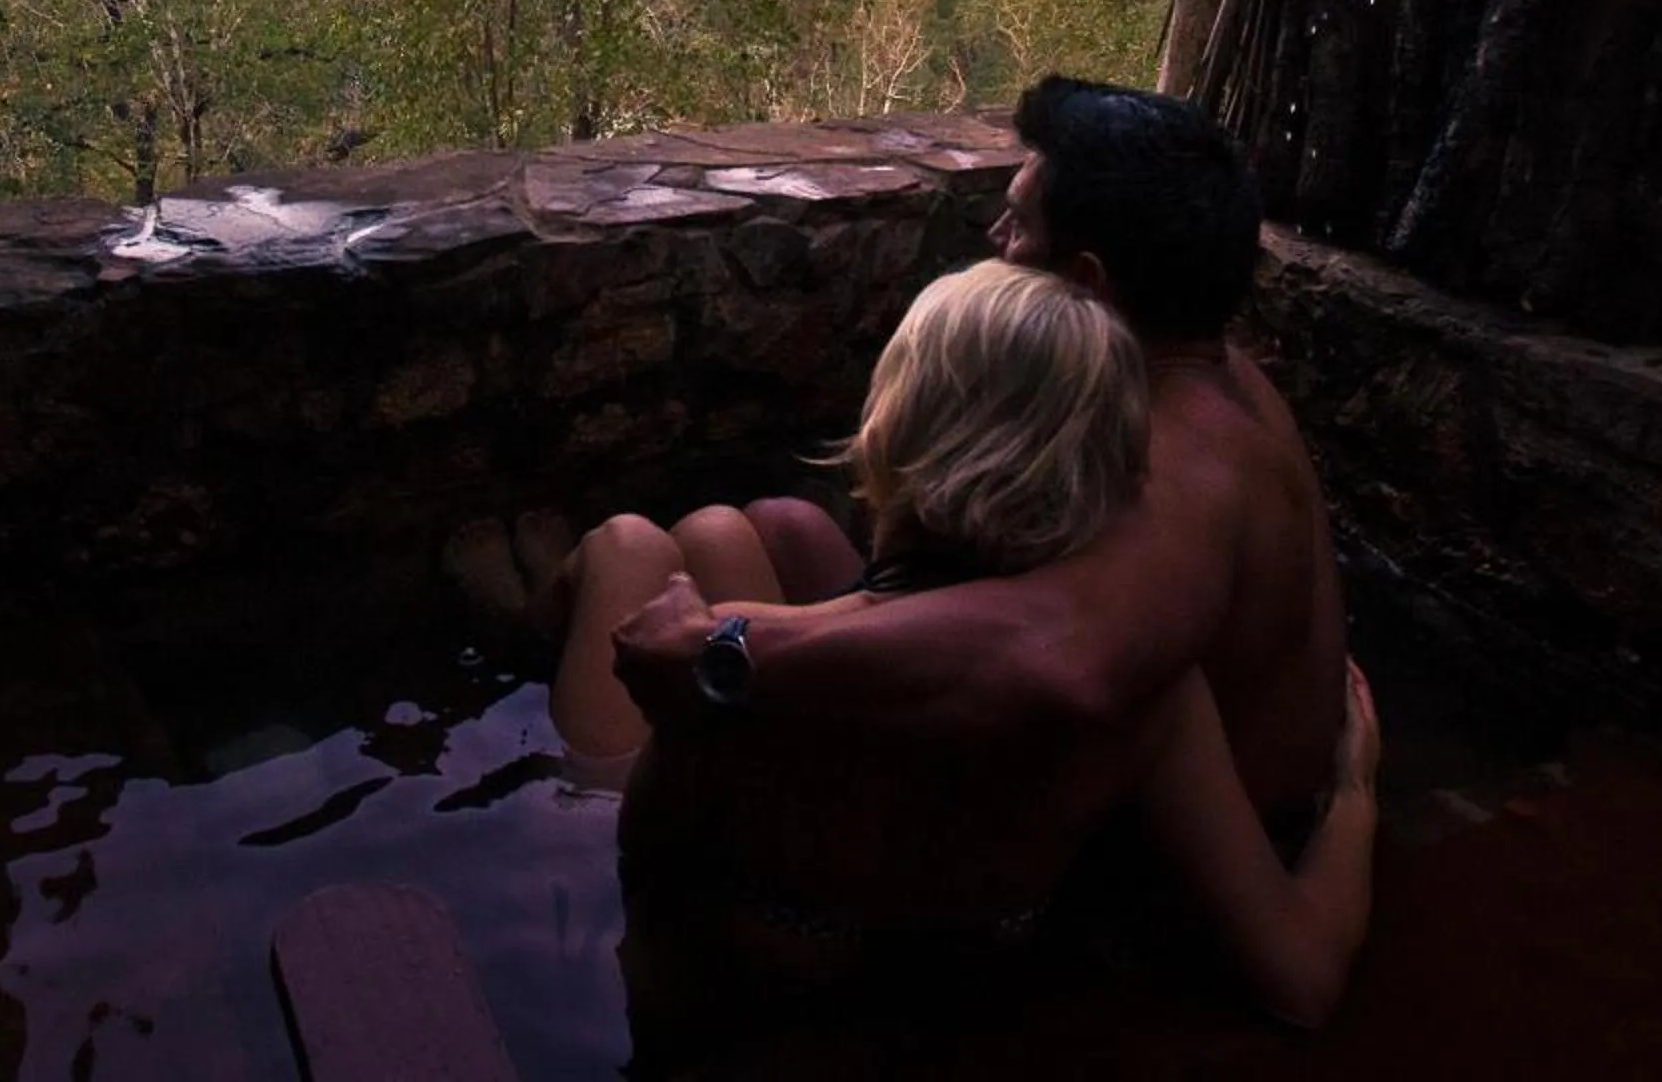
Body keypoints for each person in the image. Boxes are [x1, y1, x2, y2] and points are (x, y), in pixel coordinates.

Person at [550, 260, 1380, 1062]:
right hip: (951, 975)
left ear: (892, 426)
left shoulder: (743, 662)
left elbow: (640, 866)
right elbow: (1302, 983)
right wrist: (1355, 792)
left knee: (629, 544)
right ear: (1117, 463)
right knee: (725, 533)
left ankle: (527, 603)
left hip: (758, 982)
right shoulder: (1151, 693)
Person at [618, 76, 1348, 840]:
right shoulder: (1217, 375)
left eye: (1019, 222)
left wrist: (725, 647)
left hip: (1152, 864)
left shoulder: (1180, 462)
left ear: (1086, 284)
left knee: (642, 565)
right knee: (778, 525)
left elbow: (1059, 660)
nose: (997, 237)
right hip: (1156, 796)